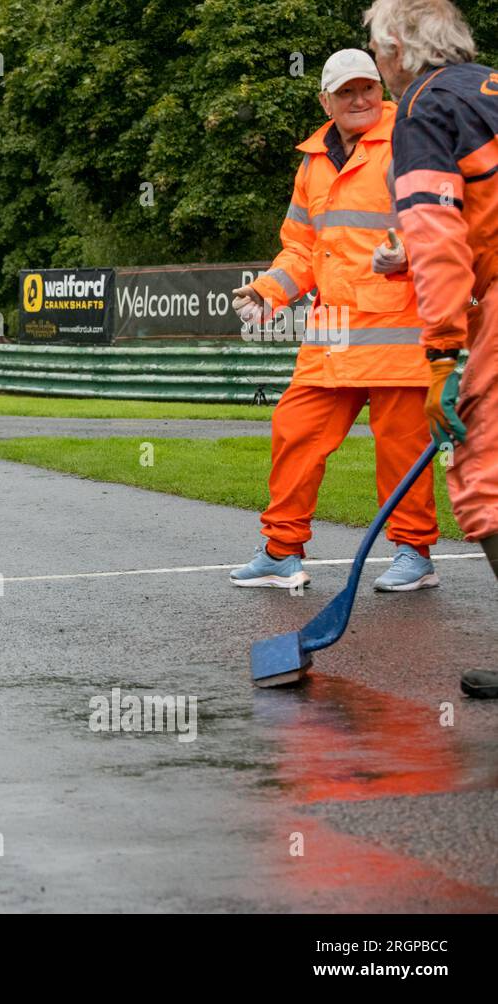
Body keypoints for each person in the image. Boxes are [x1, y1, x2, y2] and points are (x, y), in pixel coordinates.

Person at [228, 49, 440, 592]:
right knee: (294, 430)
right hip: (333, 330)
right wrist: (266, 292)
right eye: (346, 92)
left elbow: (449, 223)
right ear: (326, 100)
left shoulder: (410, 139)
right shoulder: (313, 161)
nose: (360, 99)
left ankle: (414, 553)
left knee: (402, 446)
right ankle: (281, 551)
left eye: (368, 88)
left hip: (399, 324)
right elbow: (300, 247)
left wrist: (410, 256)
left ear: (382, 90)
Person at [365, 0, 498, 698]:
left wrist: (442, 352)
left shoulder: (422, 106)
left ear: (394, 45)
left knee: (486, 481)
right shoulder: (488, 85)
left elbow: (439, 232)